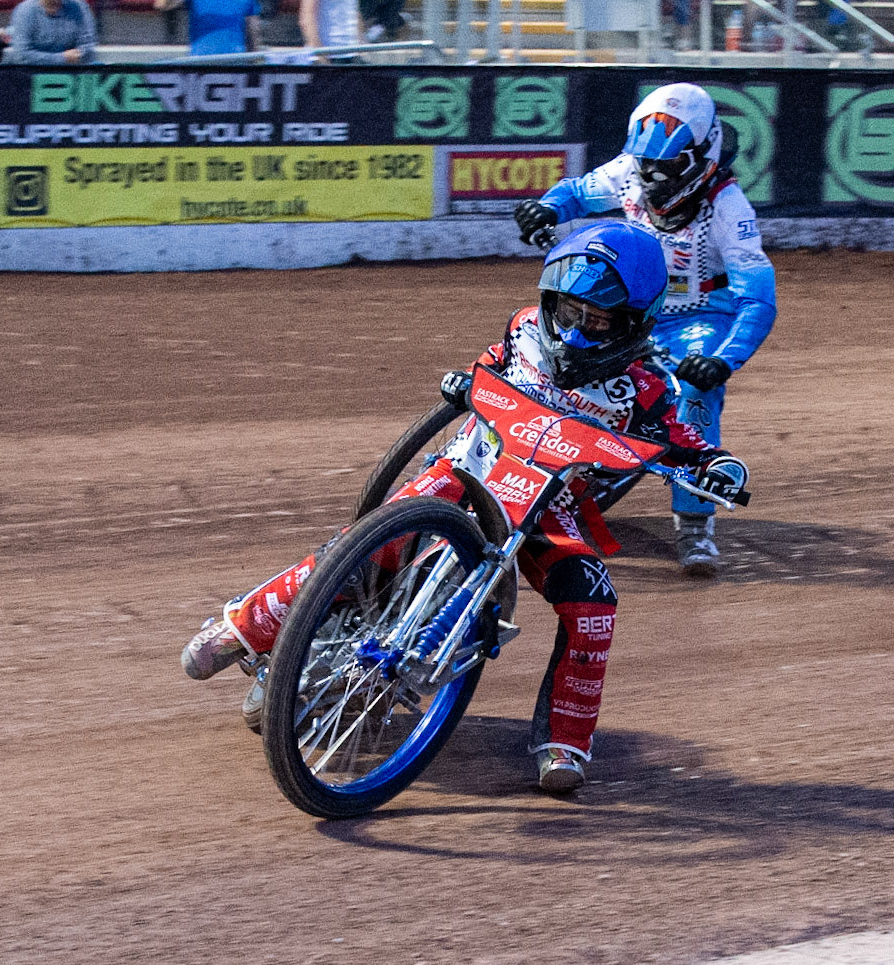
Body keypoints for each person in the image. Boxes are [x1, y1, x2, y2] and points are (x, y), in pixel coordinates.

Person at [181, 221, 749, 794]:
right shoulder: (525, 329)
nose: (577, 330)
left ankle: (566, 743)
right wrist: (465, 381)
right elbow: (492, 363)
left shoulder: (648, 390)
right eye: (569, 310)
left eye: (598, 321)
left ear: (634, 323)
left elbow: (687, 440)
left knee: (594, 605)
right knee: (369, 544)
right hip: (466, 468)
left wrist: (718, 467)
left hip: (546, 506)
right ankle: (240, 628)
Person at [513, 82, 777, 578]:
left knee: (694, 394)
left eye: (667, 165)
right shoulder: (628, 171)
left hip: (700, 318)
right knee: (560, 347)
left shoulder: (729, 208)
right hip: (634, 309)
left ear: (701, 157)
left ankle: (694, 522)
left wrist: (722, 360)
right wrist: (547, 207)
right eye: (646, 163)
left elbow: (758, 296)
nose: (652, 177)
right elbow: (577, 193)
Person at [154, 0, 261, 56]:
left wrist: (254, 63)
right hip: (201, 63)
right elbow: (162, 5)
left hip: (235, 62)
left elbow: (253, 32)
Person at [6, 0, 97, 64]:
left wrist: (78, 55)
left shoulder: (80, 8)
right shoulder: (25, 11)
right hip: (31, 75)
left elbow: (87, 47)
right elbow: (21, 55)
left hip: (70, 72)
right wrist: (62, 58)